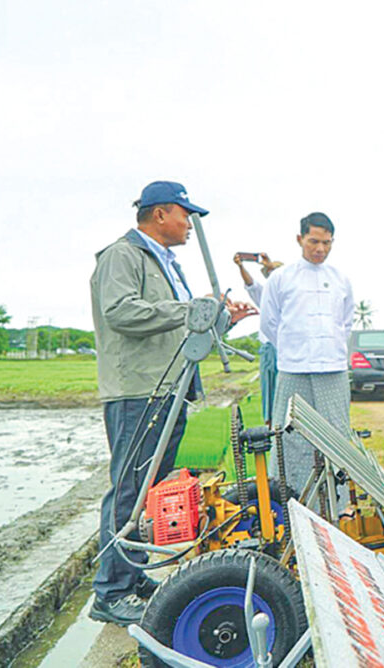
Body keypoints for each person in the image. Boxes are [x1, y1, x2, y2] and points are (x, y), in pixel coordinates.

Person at [89, 181, 253, 625]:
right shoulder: (122, 256)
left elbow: (183, 329)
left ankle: (133, 578)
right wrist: (188, 309)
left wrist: (220, 319)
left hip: (168, 388)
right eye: (185, 214)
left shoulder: (165, 261)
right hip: (138, 391)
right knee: (129, 489)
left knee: (148, 489)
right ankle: (110, 592)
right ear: (160, 213)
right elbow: (120, 312)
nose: (189, 224)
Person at [260, 212, 355, 497]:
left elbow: (346, 322)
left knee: (336, 433)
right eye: (314, 241)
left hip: (333, 369)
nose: (320, 249)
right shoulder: (280, 278)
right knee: (290, 435)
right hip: (294, 369)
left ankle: (336, 503)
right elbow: (269, 323)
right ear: (300, 239)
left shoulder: (340, 279)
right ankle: (289, 498)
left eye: (327, 243)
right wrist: (295, 350)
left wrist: (328, 348)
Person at [234, 252, 283, 425]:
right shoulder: (266, 294)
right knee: (270, 391)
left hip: (291, 350)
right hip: (271, 348)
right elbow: (250, 284)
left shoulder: (294, 295)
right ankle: (272, 425)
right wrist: (241, 266)